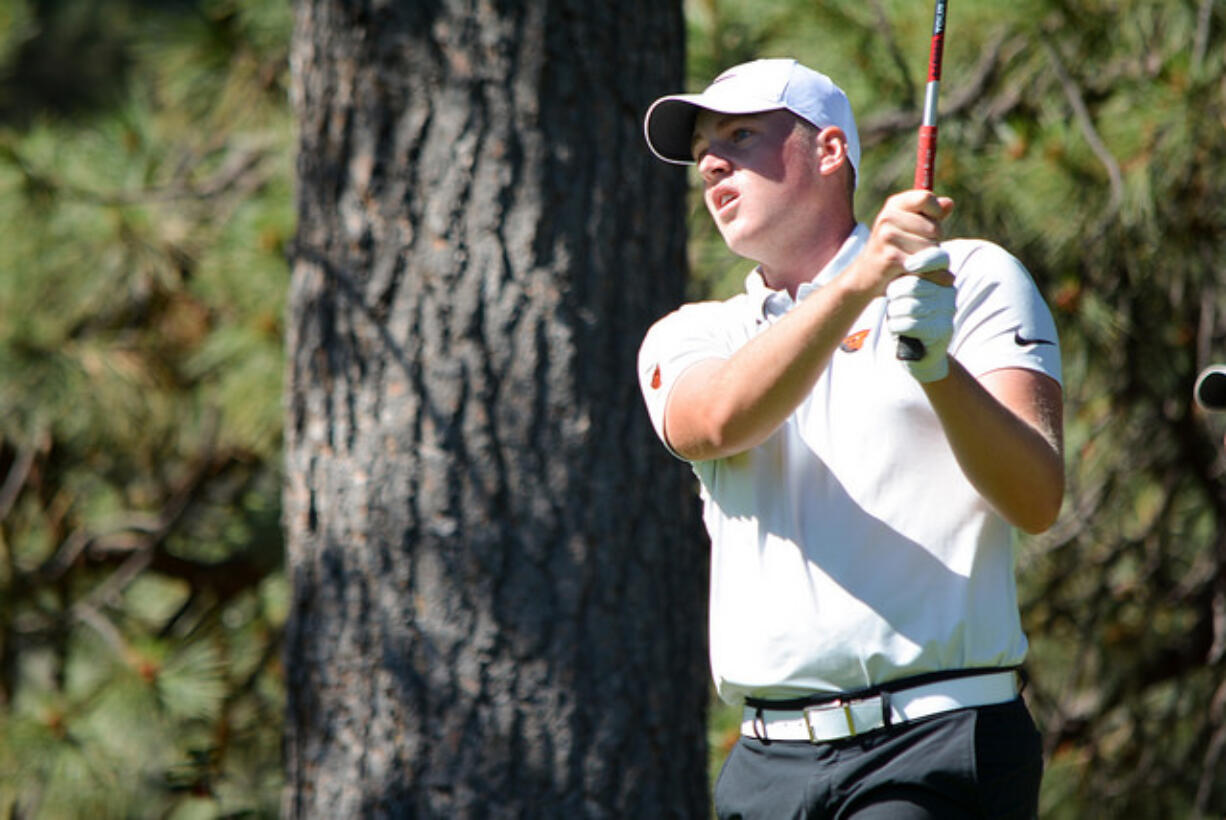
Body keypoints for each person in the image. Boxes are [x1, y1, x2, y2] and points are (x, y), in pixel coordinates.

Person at [636, 58, 1065, 819]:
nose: (710, 161)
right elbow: (718, 420)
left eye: (740, 135)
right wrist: (858, 285)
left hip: (939, 742)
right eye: (703, 146)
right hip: (765, 765)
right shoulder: (695, 333)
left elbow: (1035, 498)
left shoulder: (969, 279)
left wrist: (938, 370)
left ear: (829, 151)